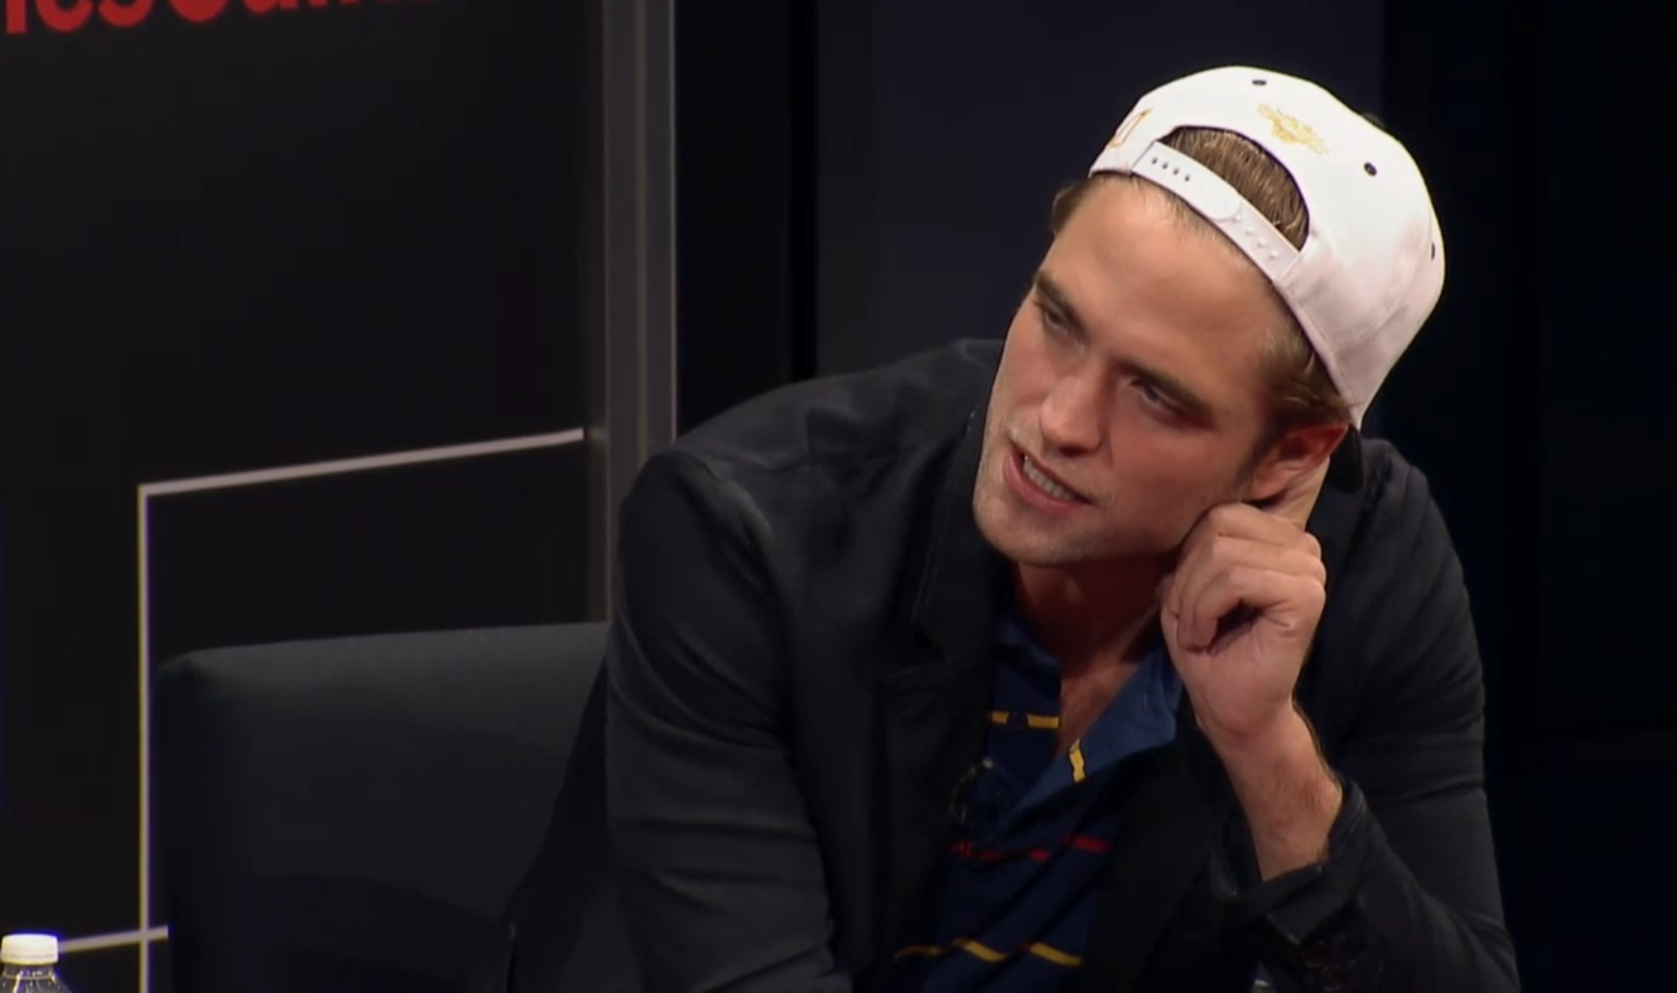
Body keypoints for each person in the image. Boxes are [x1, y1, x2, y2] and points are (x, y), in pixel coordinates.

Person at [492, 65, 1520, 992]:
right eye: (1057, 320)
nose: (1058, 420)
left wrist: (1267, 754)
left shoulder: (1372, 565)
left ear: (1291, 457)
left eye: (1155, 395)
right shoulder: (748, 532)